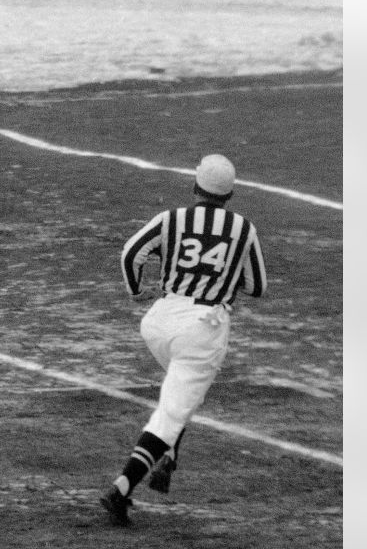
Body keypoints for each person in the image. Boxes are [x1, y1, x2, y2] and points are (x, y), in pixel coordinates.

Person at [99, 154, 267, 526]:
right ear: (231, 193)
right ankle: (122, 488)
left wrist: (135, 291)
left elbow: (131, 253)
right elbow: (257, 286)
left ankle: (167, 457)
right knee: (172, 413)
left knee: (179, 397)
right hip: (202, 329)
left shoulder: (171, 219)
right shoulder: (243, 229)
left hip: (159, 321)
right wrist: (223, 274)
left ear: (195, 188)